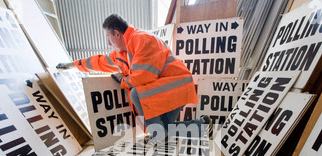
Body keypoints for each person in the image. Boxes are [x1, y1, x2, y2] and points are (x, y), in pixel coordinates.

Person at [57, 14, 213, 145]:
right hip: (169, 89)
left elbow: (142, 76)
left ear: (117, 34)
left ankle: (160, 136)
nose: (108, 43)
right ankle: (202, 126)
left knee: (136, 93)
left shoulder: (142, 39)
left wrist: (123, 81)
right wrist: (71, 65)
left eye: (109, 38)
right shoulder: (123, 52)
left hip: (176, 86)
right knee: (165, 127)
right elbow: (98, 61)